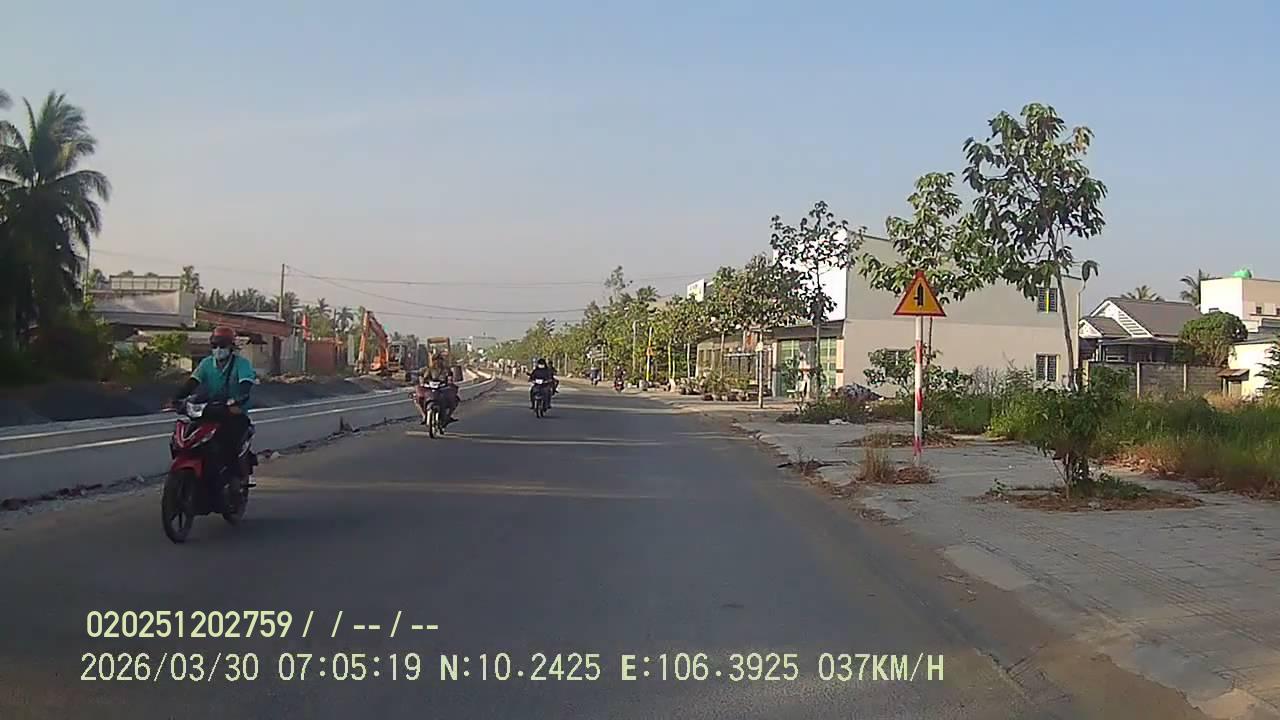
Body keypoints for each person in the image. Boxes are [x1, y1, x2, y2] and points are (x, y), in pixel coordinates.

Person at [171, 326, 256, 478]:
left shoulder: (241, 364)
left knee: (231, 442)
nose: (218, 349)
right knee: (185, 436)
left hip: (232, 411)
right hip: (208, 409)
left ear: (230, 347)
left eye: (222, 345)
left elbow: (246, 384)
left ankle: (233, 477)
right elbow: (192, 382)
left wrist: (238, 399)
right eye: (214, 345)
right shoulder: (206, 363)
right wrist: (176, 398)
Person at [420, 353, 459, 425]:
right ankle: (424, 416)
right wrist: (424, 382)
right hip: (432, 389)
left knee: (453, 399)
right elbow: (424, 378)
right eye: (435, 360)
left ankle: (448, 416)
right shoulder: (429, 369)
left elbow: (450, 378)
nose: (437, 362)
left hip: (443, 389)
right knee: (420, 398)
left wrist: (449, 382)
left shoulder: (446, 370)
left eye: (439, 360)